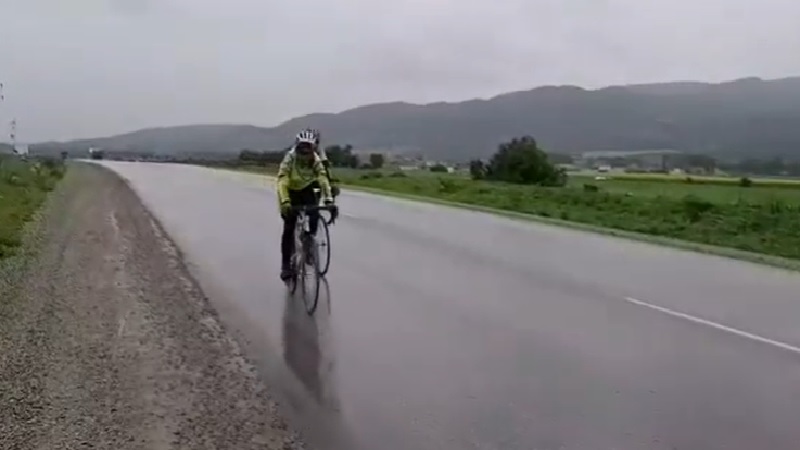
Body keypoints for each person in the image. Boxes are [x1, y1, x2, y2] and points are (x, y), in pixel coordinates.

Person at [277, 129, 336, 281]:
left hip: (306, 188)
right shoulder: (290, 158)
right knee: (288, 227)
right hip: (290, 190)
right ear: (297, 146)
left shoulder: (316, 159)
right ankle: (285, 265)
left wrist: (329, 200)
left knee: (314, 212)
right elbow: (283, 180)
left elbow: (322, 178)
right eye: (302, 147)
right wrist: (285, 201)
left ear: (313, 148)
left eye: (308, 148)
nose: (304, 152)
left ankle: (309, 240)